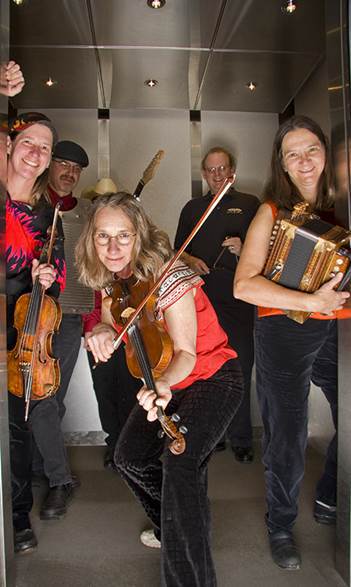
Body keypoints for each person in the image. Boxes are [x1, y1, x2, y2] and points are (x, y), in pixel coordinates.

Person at [75, 192, 244, 586]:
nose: (113, 248)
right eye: (103, 237)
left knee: (179, 464)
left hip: (211, 378)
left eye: (124, 236)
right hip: (163, 383)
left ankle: (189, 574)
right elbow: (107, 319)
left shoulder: (169, 277)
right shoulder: (109, 277)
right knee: (130, 457)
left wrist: (164, 385)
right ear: (91, 239)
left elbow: (185, 352)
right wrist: (100, 331)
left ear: (140, 236)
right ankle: (180, 523)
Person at [234, 115, 350, 570]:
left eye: (311, 150)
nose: (304, 162)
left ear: (327, 153)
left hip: (341, 327)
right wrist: (309, 299)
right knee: (287, 434)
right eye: (292, 155)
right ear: (281, 165)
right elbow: (244, 286)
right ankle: (280, 523)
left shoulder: (342, 209)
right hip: (283, 328)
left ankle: (328, 497)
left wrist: (329, 302)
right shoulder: (270, 211)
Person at [174, 146, 259, 462]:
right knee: (206, 369)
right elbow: (177, 252)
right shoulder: (193, 208)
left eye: (223, 169)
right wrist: (192, 259)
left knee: (240, 367)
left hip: (239, 298)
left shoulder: (249, 204)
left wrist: (244, 248)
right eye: (211, 170)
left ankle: (241, 438)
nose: (217, 175)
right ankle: (214, 435)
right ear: (204, 173)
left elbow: (269, 251)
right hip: (202, 300)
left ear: (232, 170)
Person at [6, 112, 66, 553]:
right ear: (9, 143)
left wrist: (48, 278)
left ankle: (16, 515)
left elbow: (59, 278)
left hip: (20, 332)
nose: (36, 152)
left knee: (17, 427)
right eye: (29, 141)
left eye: (44, 148)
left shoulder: (49, 218)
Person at [30, 140, 89, 521]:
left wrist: (90, 317)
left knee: (51, 397)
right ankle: (56, 476)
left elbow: (91, 272)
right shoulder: (31, 207)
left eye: (75, 169)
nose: (68, 173)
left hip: (68, 318)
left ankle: (51, 473)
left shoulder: (84, 215)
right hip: (31, 314)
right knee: (41, 399)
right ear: (50, 166)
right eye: (62, 164)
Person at [81, 178, 141, 471]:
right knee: (104, 389)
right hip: (97, 331)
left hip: (129, 331)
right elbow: (87, 299)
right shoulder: (89, 246)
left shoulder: (124, 249)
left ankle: (129, 445)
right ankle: (113, 442)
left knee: (130, 389)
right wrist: (93, 330)